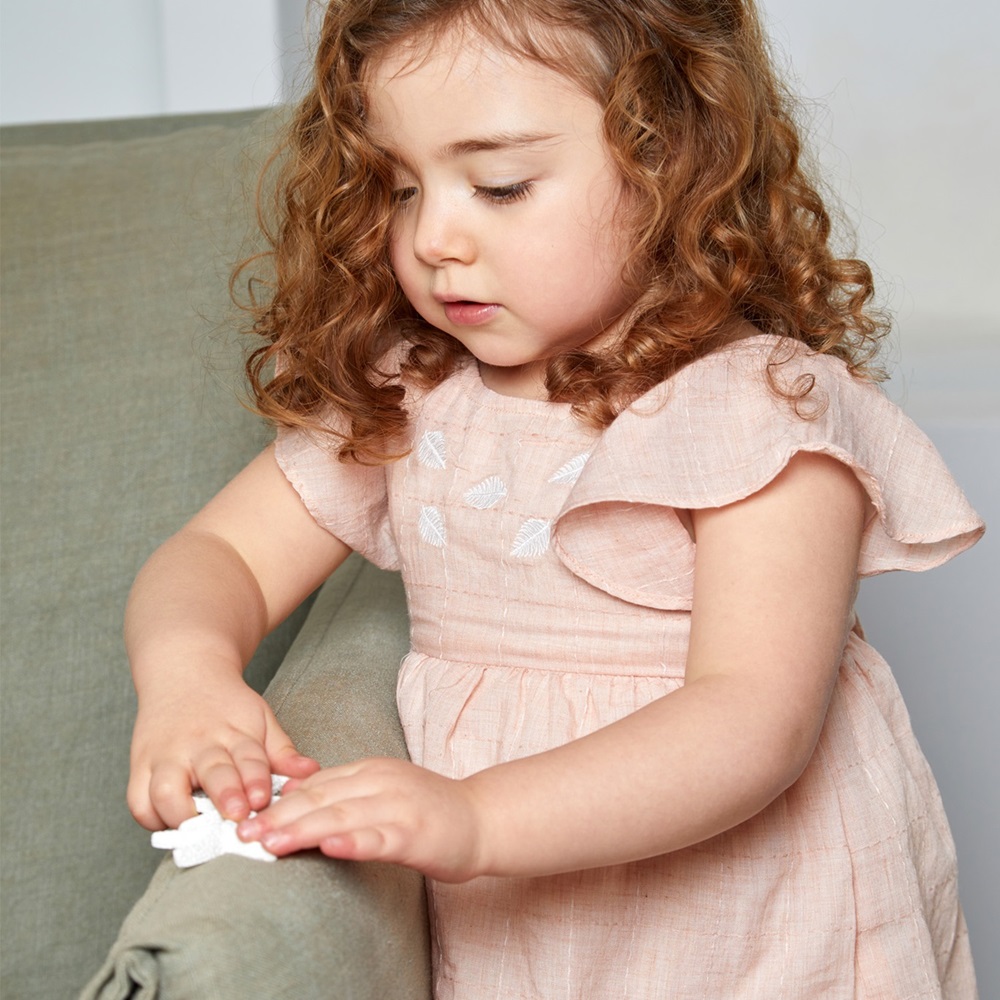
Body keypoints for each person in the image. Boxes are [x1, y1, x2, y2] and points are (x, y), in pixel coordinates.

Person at [125, 1, 984, 996]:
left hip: (747, 921)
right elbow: (217, 556)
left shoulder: (759, 411)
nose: (436, 236)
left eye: (499, 184)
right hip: (507, 921)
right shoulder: (416, 394)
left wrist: (480, 816)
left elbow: (753, 719)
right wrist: (188, 676)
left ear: (671, 165)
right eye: (402, 188)